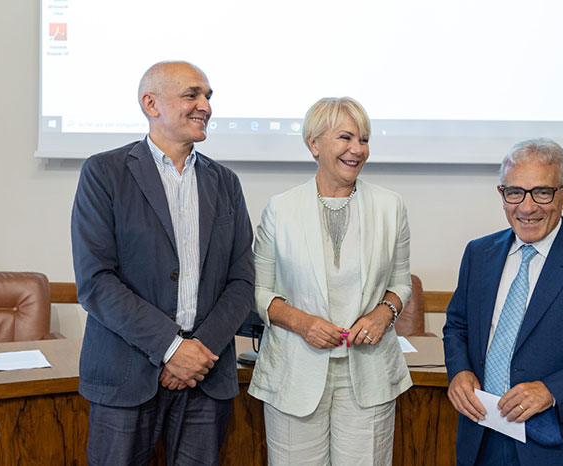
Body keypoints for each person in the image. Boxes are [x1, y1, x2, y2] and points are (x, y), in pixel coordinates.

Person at [71, 60, 254, 466]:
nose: (205, 105)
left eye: (208, 96)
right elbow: (96, 281)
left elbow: (242, 281)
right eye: (192, 94)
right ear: (151, 103)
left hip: (206, 375)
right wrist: (171, 348)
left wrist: (196, 352)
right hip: (126, 375)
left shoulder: (226, 182)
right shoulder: (104, 172)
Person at [443, 138, 563, 466]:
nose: (527, 207)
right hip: (480, 436)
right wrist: (459, 371)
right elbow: (457, 326)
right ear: (501, 194)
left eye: (542, 192)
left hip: (554, 444)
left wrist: (551, 390)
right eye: (514, 192)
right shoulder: (478, 254)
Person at [248, 97, 413, 465]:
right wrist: (303, 323)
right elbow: (260, 291)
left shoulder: (391, 206)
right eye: (346, 137)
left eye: (364, 139)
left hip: (368, 375)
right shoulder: (281, 208)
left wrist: (382, 315)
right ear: (314, 143)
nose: (358, 149)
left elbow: (400, 283)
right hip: (295, 374)